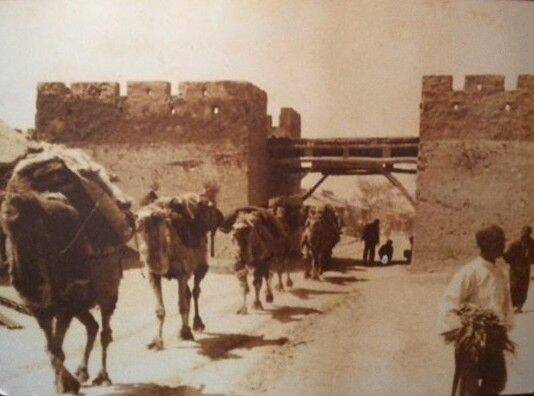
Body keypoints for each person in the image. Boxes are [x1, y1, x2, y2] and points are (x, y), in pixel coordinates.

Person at [438, 225, 514, 396]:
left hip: (494, 339)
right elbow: (450, 302)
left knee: (497, 380)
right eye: (499, 242)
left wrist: (504, 326)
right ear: (486, 244)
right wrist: (464, 330)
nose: (503, 246)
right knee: (468, 386)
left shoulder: (500, 274)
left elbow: (505, 304)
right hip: (472, 342)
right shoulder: (469, 272)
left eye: (503, 241)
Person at [504, 225, 534, 313]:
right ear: (521, 233)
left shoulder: (532, 244)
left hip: (525, 270)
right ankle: (512, 306)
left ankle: (519, 306)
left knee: (523, 288)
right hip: (515, 271)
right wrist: (513, 263)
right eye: (524, 233)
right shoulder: (515, 244)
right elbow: (506, 256)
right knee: (514, 287)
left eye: (527, 233)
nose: (525, 235)